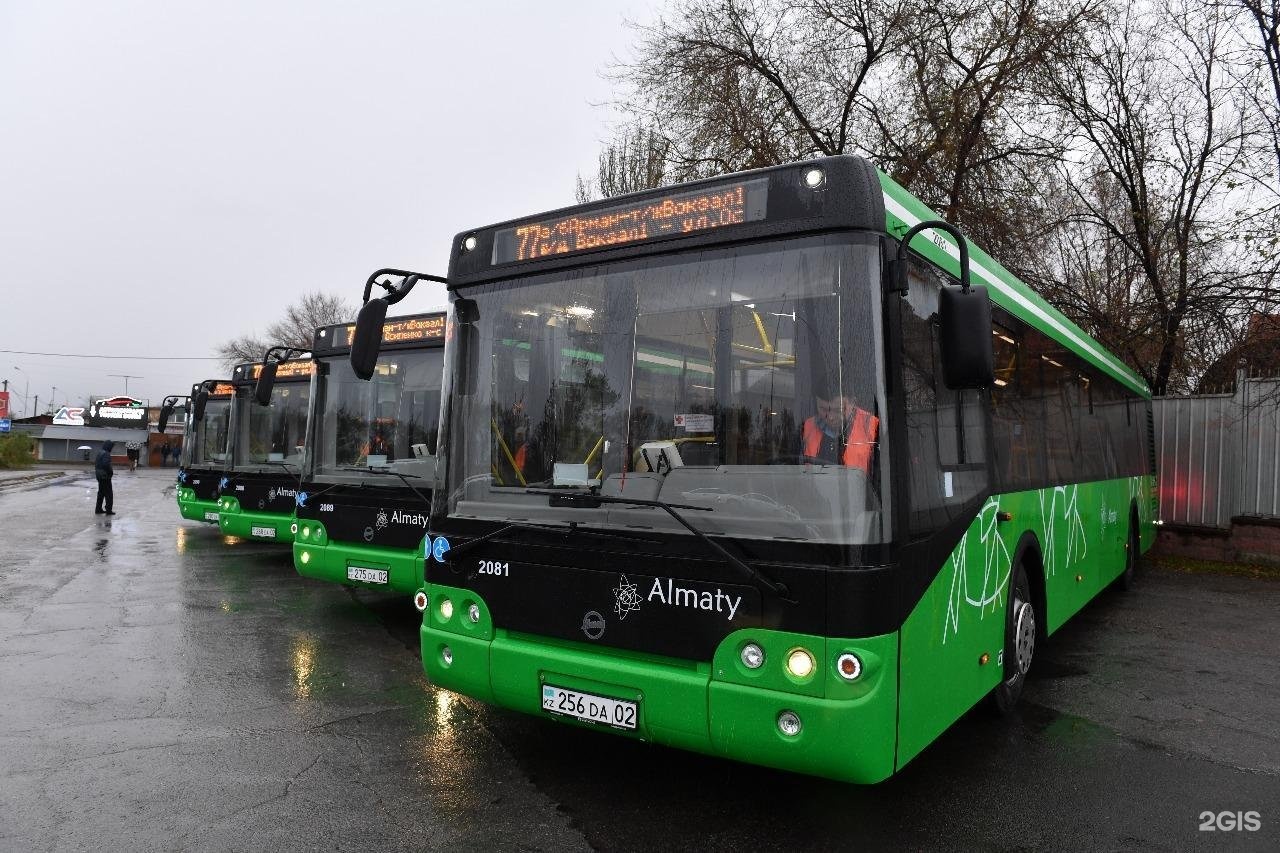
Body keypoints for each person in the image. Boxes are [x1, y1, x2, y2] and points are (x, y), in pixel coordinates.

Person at [801, 390, 879, 472]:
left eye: (838, 410)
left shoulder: (873, 427)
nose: (830, 417)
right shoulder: (806, 427)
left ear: (853, 403)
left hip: (856, 484)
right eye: (823, 409)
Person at [95, 440, 115, 515]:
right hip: (105, 476)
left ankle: (98, 508)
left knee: (101, 493)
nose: (111, 448)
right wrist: (110, 472)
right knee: (109, 493)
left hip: (99, 475)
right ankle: (108, 510)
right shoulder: (106, 454)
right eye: (111, 447)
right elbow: (106, 465)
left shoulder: (100, 452)